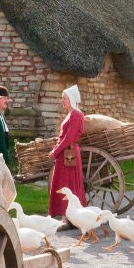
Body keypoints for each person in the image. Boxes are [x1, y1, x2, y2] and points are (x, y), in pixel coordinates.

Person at [48, 85, 85, 226]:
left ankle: (67, 218)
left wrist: (56, 152)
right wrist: (57, 150)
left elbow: (69, 138)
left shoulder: (76, 115)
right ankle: (64, 216)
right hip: (64, 154)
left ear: (71, 99)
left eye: (64, 98)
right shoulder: (70, 114)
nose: (62, 100)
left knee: (67, 185)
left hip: (69, 155)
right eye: (62, 98)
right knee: (62, 184)